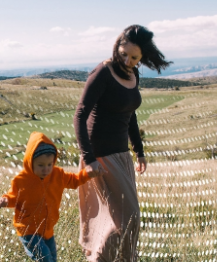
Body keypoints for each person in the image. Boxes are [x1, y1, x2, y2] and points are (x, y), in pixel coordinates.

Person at [73, 24, 172, 261]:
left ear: (142, 57)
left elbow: (130, 115)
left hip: (121, 155)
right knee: (129, 218)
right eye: (123, 54)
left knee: (119, 220)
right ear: (117, 46)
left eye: (134, 57)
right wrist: (88, 159)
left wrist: (139, 152)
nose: (127, 60)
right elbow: (80, 115)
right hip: (100, 156)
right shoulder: (103, 72)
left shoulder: (132, 74)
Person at [0, 131, 98, 262]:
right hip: (28, 229)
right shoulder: (21, 180)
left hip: (47, 229)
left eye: (50, 164)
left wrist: (87, 174)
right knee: (45, 258)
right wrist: (6, 200)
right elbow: (13, 197)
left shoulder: (57, 175)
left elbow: (74, 180)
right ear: (30, 162)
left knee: (52, 258)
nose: (46, 169)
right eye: (41, 165)